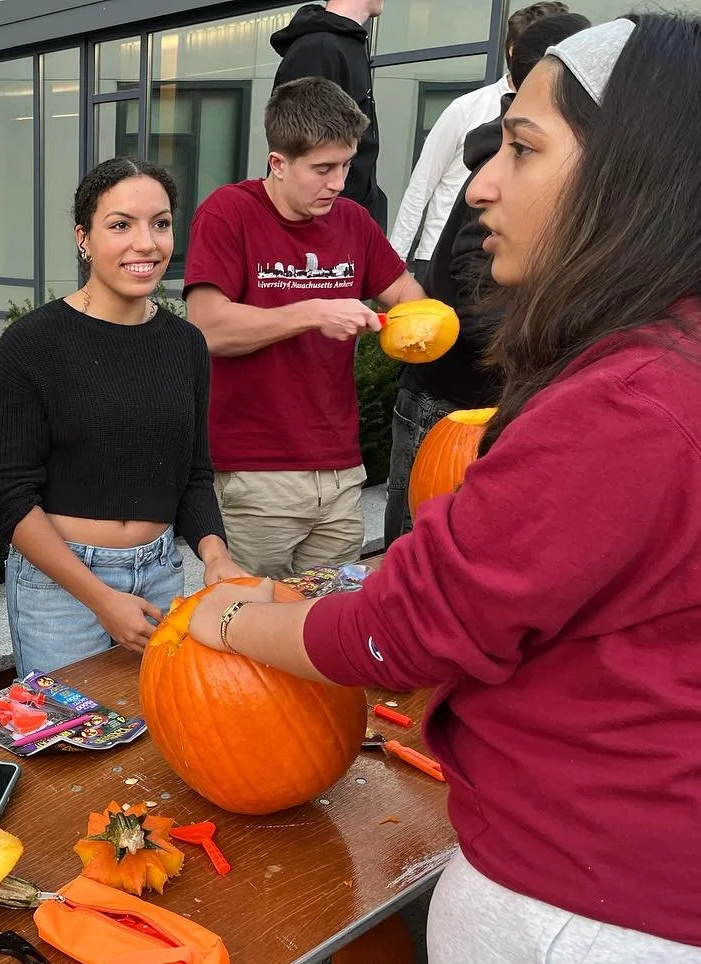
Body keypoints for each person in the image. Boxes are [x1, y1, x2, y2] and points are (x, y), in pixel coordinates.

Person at [188, 16, 701, 964]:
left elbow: (400, 631)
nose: (480, 188)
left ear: (635, 172)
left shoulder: (632, 400)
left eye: (522, 148)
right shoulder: (682, 358)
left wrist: (231, 615)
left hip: (580, 927)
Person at [0, 158, 242, 677]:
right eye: (120, 225)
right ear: (84, 238)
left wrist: (215, 556)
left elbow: (193, 475)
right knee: (67, 749)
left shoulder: (186, 345)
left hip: (161, 574)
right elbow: (5, 495)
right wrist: (100, 597)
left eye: (160, 224)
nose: (146, 243)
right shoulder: (32, 344)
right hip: (61, 589)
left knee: (158, 731)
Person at [184, 77, 422, 580]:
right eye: (322, 168)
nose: (338, 182)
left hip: (340, 472)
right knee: (247, 625)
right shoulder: (229, 212)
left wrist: (417, 324)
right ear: (278, 163)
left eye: (346, 165)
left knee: (326, 627)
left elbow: (407, 296)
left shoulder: (354, 221)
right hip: (255, 473)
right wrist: (315, 310)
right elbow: (207, 328)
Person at [383, 9, 591, 544]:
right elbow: (476, 293)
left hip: (483, 393)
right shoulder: (501, 183)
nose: (484, 188)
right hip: (449, 399)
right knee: (418, 542)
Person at [388, 2, 570, 282]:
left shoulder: (566, 118)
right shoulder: (467, 107)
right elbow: (421, 185)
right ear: (515, 51)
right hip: (442, 256)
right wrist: (393, 264)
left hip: (511, 257)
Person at [271, 0, 387, 229]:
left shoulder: (344, 45)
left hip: (349, 233)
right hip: (325, 244)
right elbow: (299, 155)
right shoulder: (319, 49)